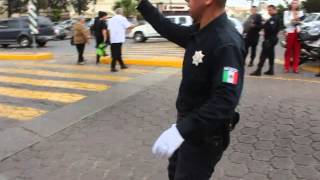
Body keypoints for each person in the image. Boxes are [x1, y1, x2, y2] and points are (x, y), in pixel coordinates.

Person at [136, 0, 245, 179]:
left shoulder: (226, 42)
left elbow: (225, 101)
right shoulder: (201, 31)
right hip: (187, 129)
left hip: (204, 137)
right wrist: (143, 3)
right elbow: (167, 28)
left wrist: (182, 129)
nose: (187, 0)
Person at [250, 5, 281, 76]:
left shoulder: (274, 18)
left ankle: (258, 71)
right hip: (272, 39)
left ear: (274, 10)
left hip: (269, 39)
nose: (268, 12)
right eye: (268, 10)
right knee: (271, 55)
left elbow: (271, 28)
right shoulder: (274, 18)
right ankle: (271, 70)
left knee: (263, 55)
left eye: (270, 10)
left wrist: (264, 24)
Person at [284, 0, 304, 73]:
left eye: (296, 3)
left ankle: (295, 68)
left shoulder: (301, 13)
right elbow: (285, 24)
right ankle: (287, 67)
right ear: (291, 4)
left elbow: (302, 22)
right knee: (288, 50)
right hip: (290, 32)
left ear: (298, 5)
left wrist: (299, 21)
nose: (294, 4)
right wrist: (292, 21)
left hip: (298, 33)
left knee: (297, 51)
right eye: (293, 3)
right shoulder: (287, 12)